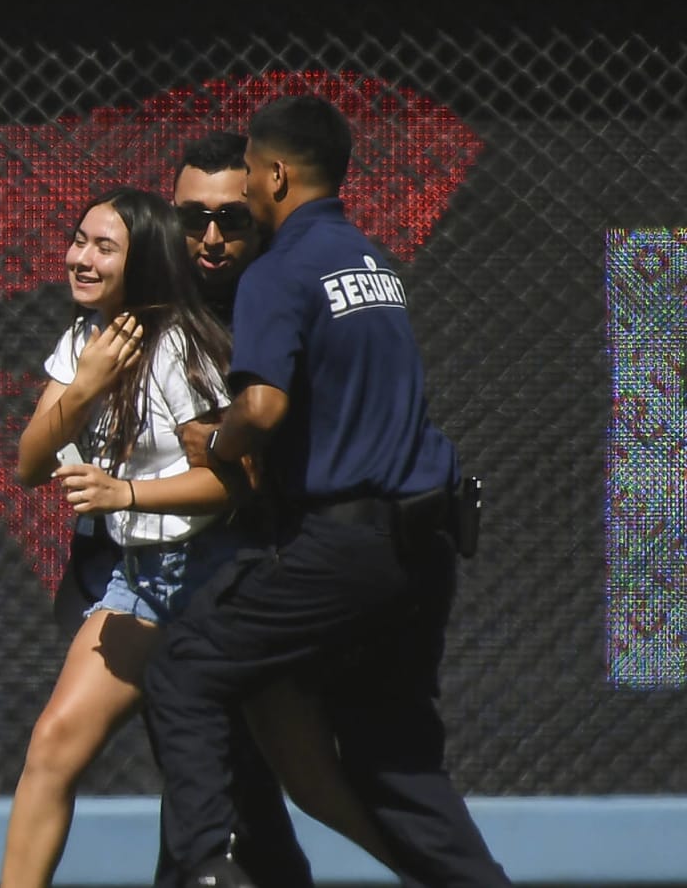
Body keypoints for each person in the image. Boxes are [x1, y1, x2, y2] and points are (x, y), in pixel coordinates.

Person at [145, 95, 511, 887]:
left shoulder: (278, 269)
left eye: (246, 170)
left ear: (274, 174)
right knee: (395, 767)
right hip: (427, 544)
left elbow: (265, 407)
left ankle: (210, 867)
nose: (241, 187)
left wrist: (215, 438)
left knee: (185, 665)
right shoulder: (369, 261)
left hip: (349, 544)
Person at [1, 186, 311, 888]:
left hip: (215, 577)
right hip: (139, 582)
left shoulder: (181, 345)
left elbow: (234, 484)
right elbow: (27, 464)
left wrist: (126, 494)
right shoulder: (85, 342)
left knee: (311, 777)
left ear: (141, 262)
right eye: (78, 239)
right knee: (52, 747)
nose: (80, 257)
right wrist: (83, 388)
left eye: (102, 247)